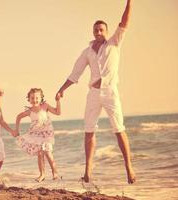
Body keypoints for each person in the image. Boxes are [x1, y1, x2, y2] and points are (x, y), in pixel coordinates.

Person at [55, 0, 136, 184]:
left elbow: (124, 22)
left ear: (106, 32)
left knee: (119, 129)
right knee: (89, 131)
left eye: (101, 29)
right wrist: (62, 89)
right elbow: (76, 73)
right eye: (96, 30)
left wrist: (129, 3)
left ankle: (129, 168)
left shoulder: (115, 42)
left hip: (110, 92)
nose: (99, 32)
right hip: (93, 93)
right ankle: (87, 172)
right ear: (93, 32)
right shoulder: (87, 52)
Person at [16, 88, 61, 182]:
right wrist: (17, 129)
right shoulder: (29, 111)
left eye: (37, 98)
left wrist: (58, 101)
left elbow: (58, 112)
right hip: (36, 134)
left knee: (48, 152)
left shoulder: (45, 106)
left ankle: (55, 172)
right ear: (29, 99)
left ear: (41, 98)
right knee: (40, 154)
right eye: (32, 98)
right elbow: (18, 117)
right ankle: (42, 174)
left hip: (47, 133)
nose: (35, 100)